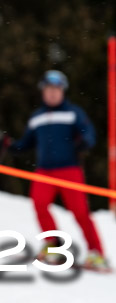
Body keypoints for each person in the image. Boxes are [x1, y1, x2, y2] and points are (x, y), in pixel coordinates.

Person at [10, 70, 110, 272]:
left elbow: (88, 134)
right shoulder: (36, 117)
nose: (53, 93)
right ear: (43, 92)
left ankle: (97, 253)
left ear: (63, 91)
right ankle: (53, 245)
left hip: (69, 170)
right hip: (45, 171)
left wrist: (85, 142)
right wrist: (10, 145)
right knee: (39, 204)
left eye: (56, 89)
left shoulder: (73, 113)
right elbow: (26, 143)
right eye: (49, 89)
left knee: (80, 212)